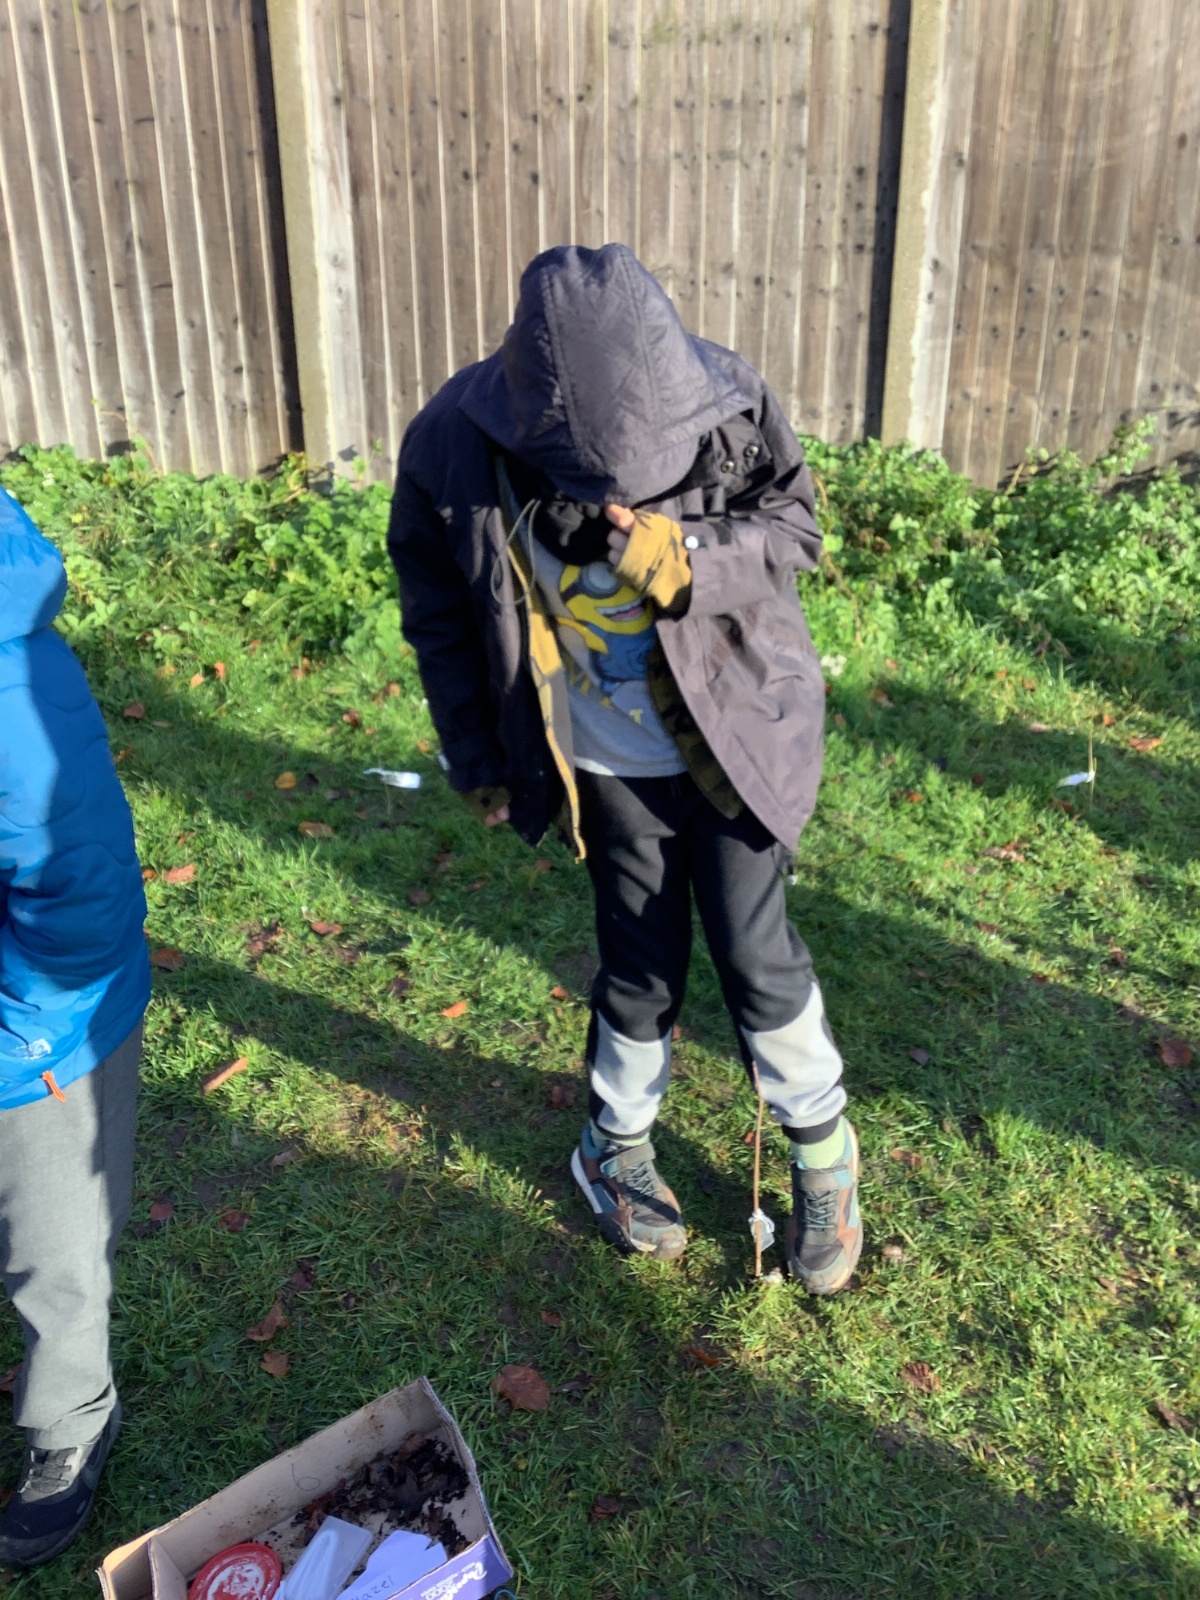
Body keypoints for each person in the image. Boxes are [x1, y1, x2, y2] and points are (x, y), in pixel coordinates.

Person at [388, 243, 861, 1293]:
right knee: (639, 963)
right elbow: (439, 611)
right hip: (604, 764)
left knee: (756, 951)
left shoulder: (730, 399)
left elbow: (796, 529)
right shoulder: (453, 443)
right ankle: (613, 1142)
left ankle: (825, 1149)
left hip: (738, 735)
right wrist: (477, 753)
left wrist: (694, 562)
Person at [0, 487, 149, 1565]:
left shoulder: (12, 692)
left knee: (50, 1246)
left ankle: (71, 1418)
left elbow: (79, 899)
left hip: (35, 1032)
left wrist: (22, 1033)